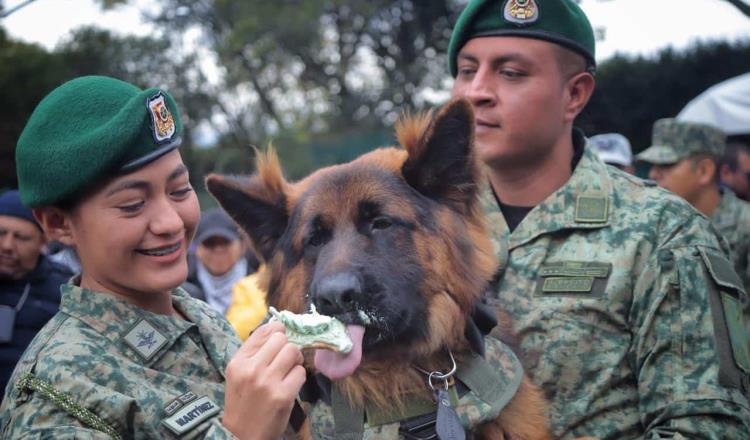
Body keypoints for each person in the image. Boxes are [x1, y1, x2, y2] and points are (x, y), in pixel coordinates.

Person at [447, 0, 750, 438]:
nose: (478, 91)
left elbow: (705, 427)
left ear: (575, 94)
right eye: (466, 70)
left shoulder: (662, 233)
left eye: (511, 73)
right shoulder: (428, 228)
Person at [0, 75, 305, 439]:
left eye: (179, 190)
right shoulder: (55, 398)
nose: (171, 222)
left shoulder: (197, 316)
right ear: (58, 224)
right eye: (132, 204)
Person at [637, 118, 750, 289]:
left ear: (704, 171)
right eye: (653, 165)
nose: (653, 173)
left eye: (666, 165)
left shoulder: (745, 225)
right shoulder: (649, 222)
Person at [0, 189, 72, 392]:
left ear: (43, 241)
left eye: (21, 237)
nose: (7, 245)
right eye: (1, 233)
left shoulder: (65, 290)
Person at [184, 207, 259, 315]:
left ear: (243, 246)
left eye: (225, 242)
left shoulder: (262, 286)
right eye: (209, 243)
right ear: (197, 249)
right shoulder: (182, 289)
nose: (218, 249)